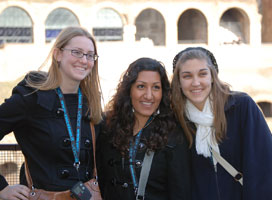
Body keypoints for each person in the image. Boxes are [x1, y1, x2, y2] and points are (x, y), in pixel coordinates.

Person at [0, 26, 102, 200]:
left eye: (90, 55)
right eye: (77, 52)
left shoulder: (90, 102)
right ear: (58, 54)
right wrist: (2, 188)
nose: (84, 60)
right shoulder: (31, 98)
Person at [171, 46, 272, 200]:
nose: (196, 82)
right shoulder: (176, 120)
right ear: (178, 82)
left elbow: (264, 165)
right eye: (187, 76)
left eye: (202, 74)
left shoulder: (241, 107)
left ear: (213, 76)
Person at [97, 57, 191, 200]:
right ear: (129, 90)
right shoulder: (108, 127)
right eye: (141, 86)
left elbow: (181, 192)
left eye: (156, 87)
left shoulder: (175, 134)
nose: (148, 95)